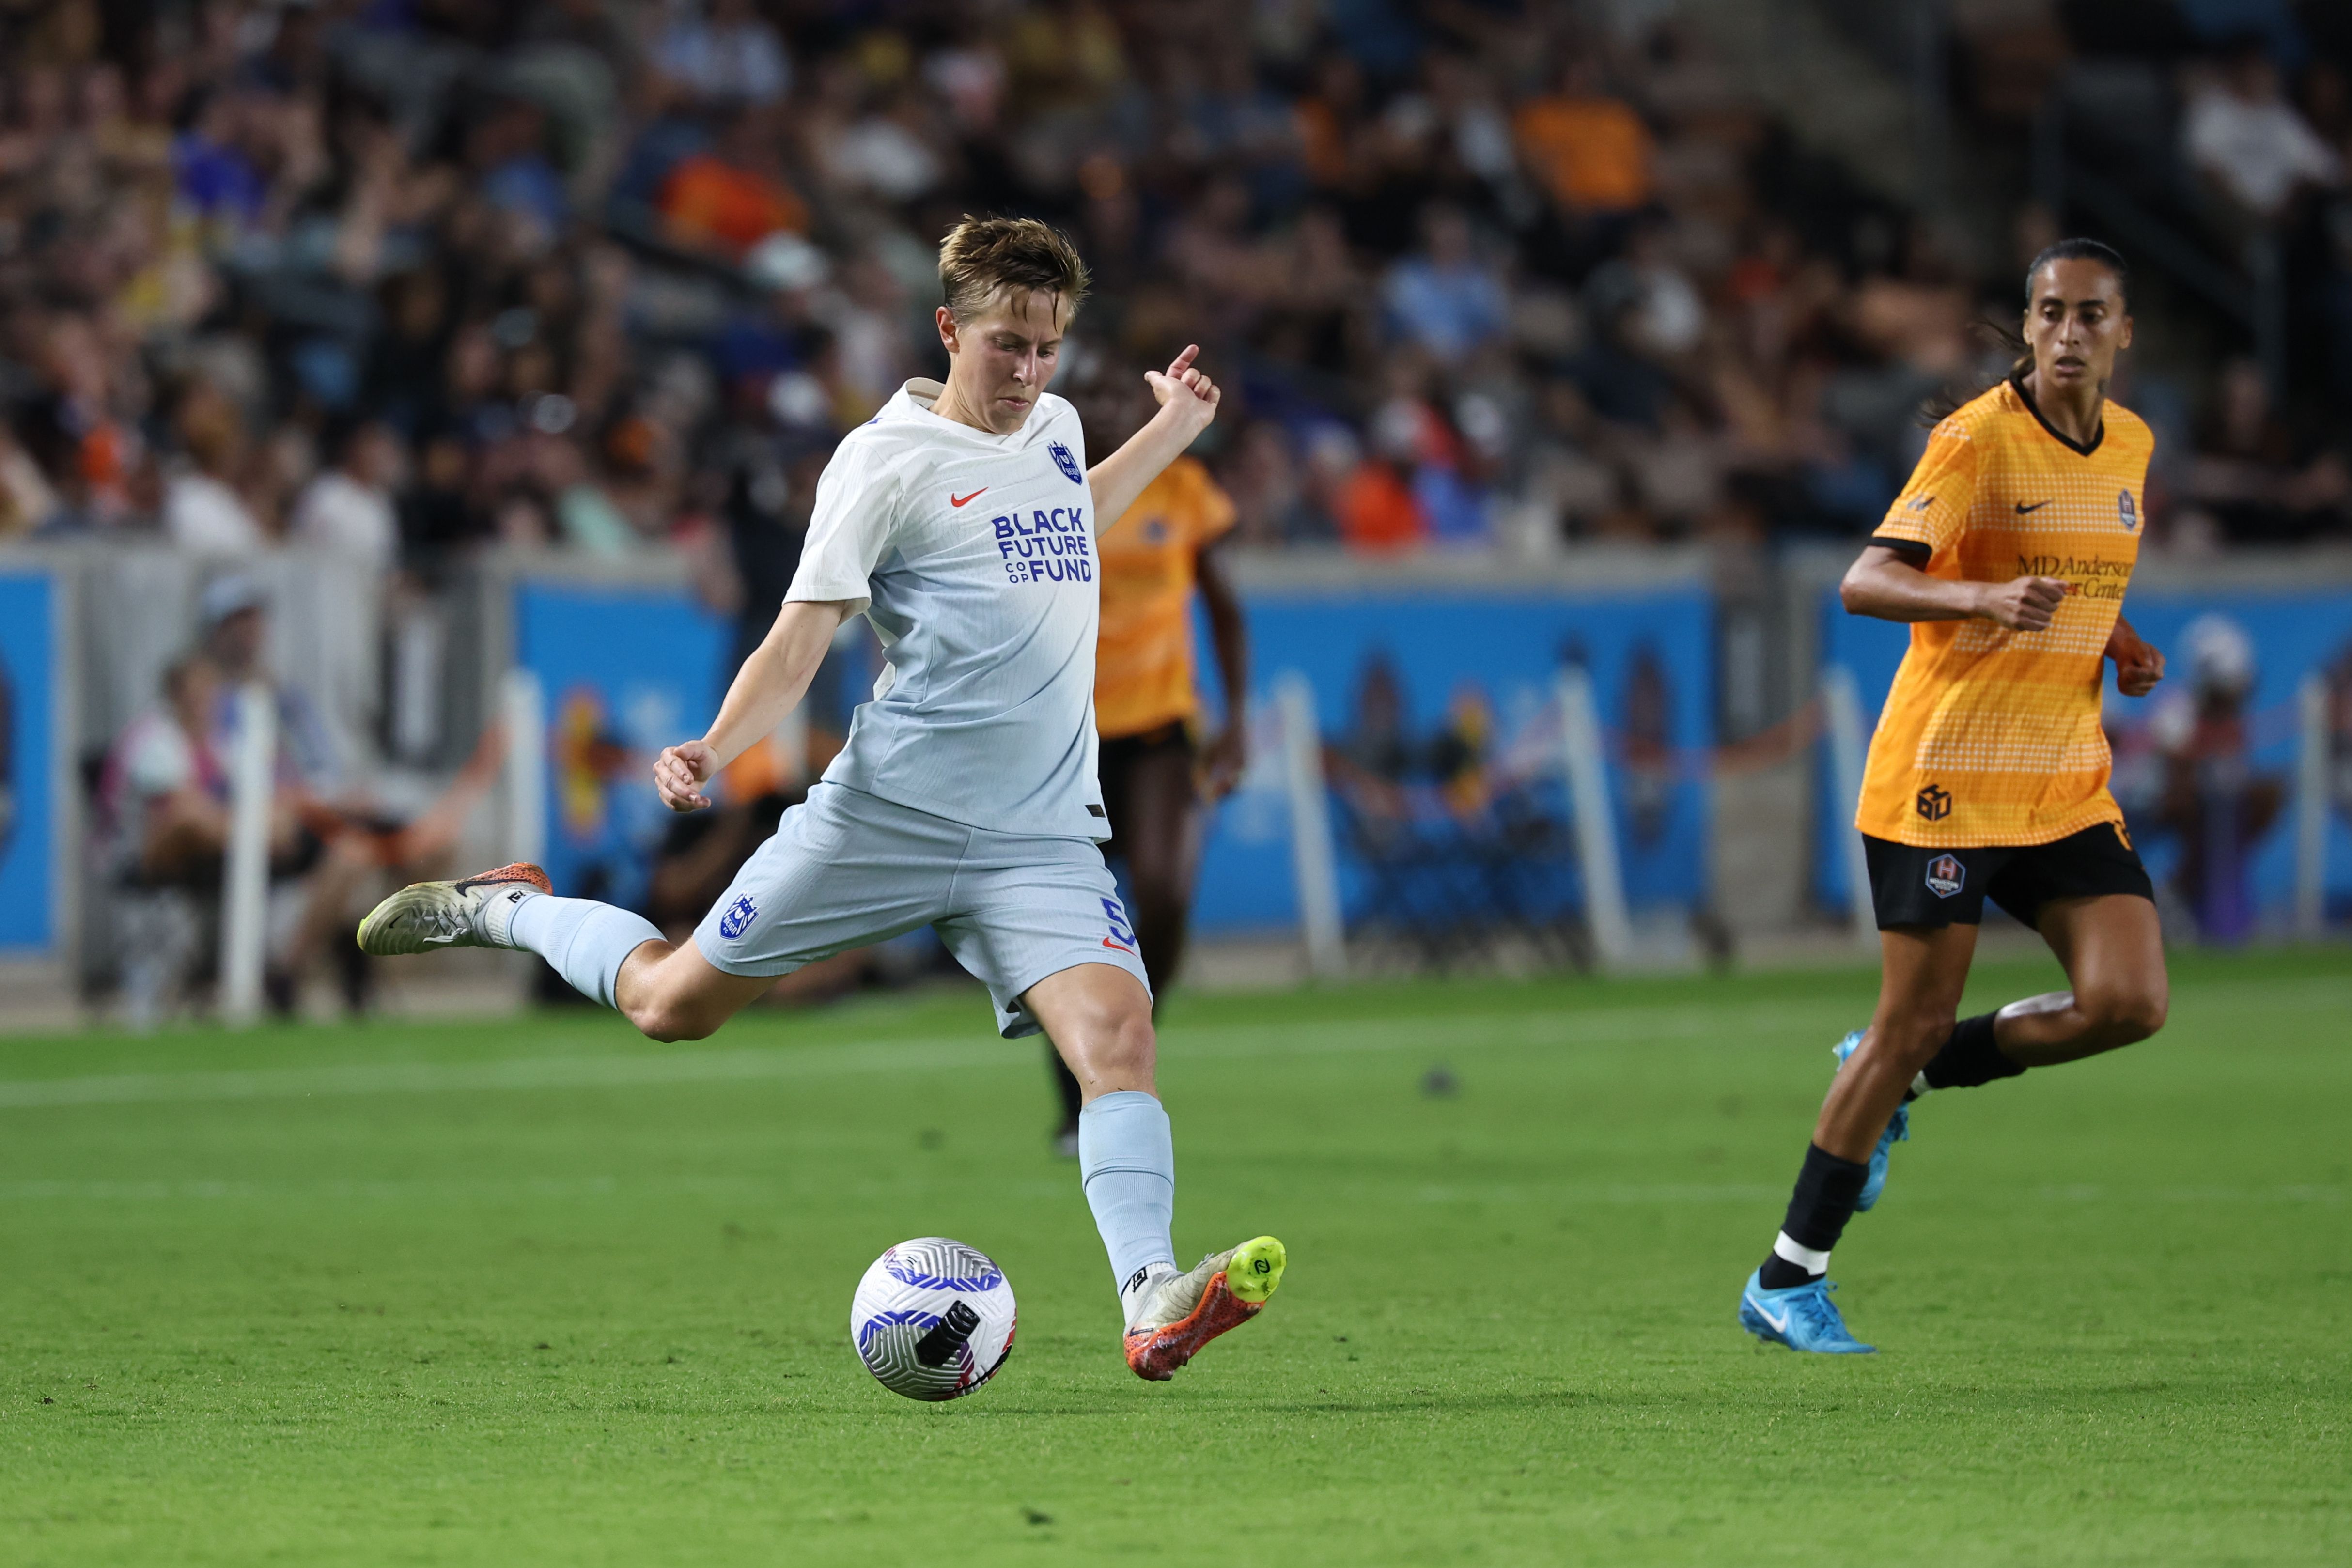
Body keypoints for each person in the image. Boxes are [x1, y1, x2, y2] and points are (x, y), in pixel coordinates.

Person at [357, 217, 1285, 1382]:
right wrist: (712, 742)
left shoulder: (1052, 427)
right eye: (1006, 344)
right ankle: (507, 908)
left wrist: (1173, 430)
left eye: (1048, 347)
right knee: (672, 1004)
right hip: (886, 818)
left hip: (1038, 834)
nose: (1029, 373)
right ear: (947, 328)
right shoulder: (880, 465)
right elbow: (800, 642)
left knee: (1119, 1038)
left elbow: (1060, 521)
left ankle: (1151, 1294)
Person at [1741, 239, 2170, 1353]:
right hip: (1946, 773)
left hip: (2061, 774)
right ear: (2025, 327)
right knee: (1908, 1016)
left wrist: (2115, 634)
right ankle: (1787, 1277)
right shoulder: (1974, 439)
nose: (2068, 332)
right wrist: (1980, 595)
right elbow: (1864, 579)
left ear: (2126, 333)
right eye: (2048, 312)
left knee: (2129, 1000)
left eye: (2090, 314)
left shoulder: (2130, 443)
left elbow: (2075, 569)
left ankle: (1908, 1074)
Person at [1043, 368, 1249, 1156]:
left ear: (1139, 405)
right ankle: (1079, 1097)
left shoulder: (1180, 486)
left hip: (1162, 727)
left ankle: (1128, 1038)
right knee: (1073, 921)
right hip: (1069, 739)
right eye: (1084, 397)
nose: (1100, 410)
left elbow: (1225, 610)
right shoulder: (1045, 487)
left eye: (1113, 397)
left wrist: (1234, 721)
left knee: (1162, 892)